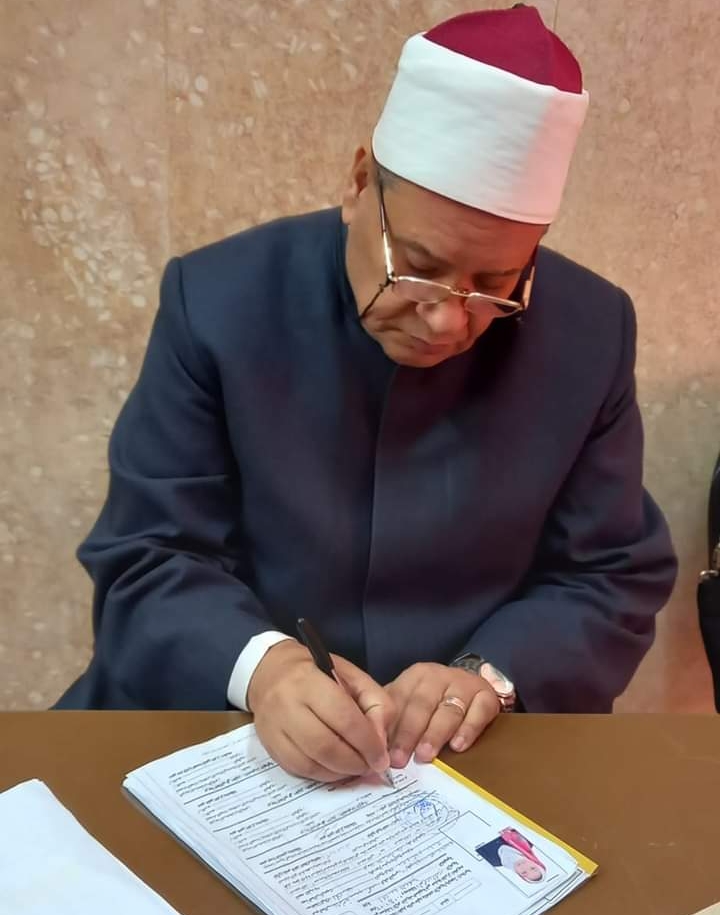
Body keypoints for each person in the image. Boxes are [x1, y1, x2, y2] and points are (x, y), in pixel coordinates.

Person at [55, 6, 677, 784]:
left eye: (495, 283)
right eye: (417, 265)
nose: (448, 318)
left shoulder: (591, 330)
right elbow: (146, 553)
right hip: (218, 719)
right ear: (357, 185)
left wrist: (490, 676)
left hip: (452, 760)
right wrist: (264, 668)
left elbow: (610, 573)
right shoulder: (217, 301)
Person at [476, 828, 546, 884]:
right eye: (532, 868)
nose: (524, 866)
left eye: (524, 872)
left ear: (518, 874)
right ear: (536, 863)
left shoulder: (493, 861)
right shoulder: (527, 842)